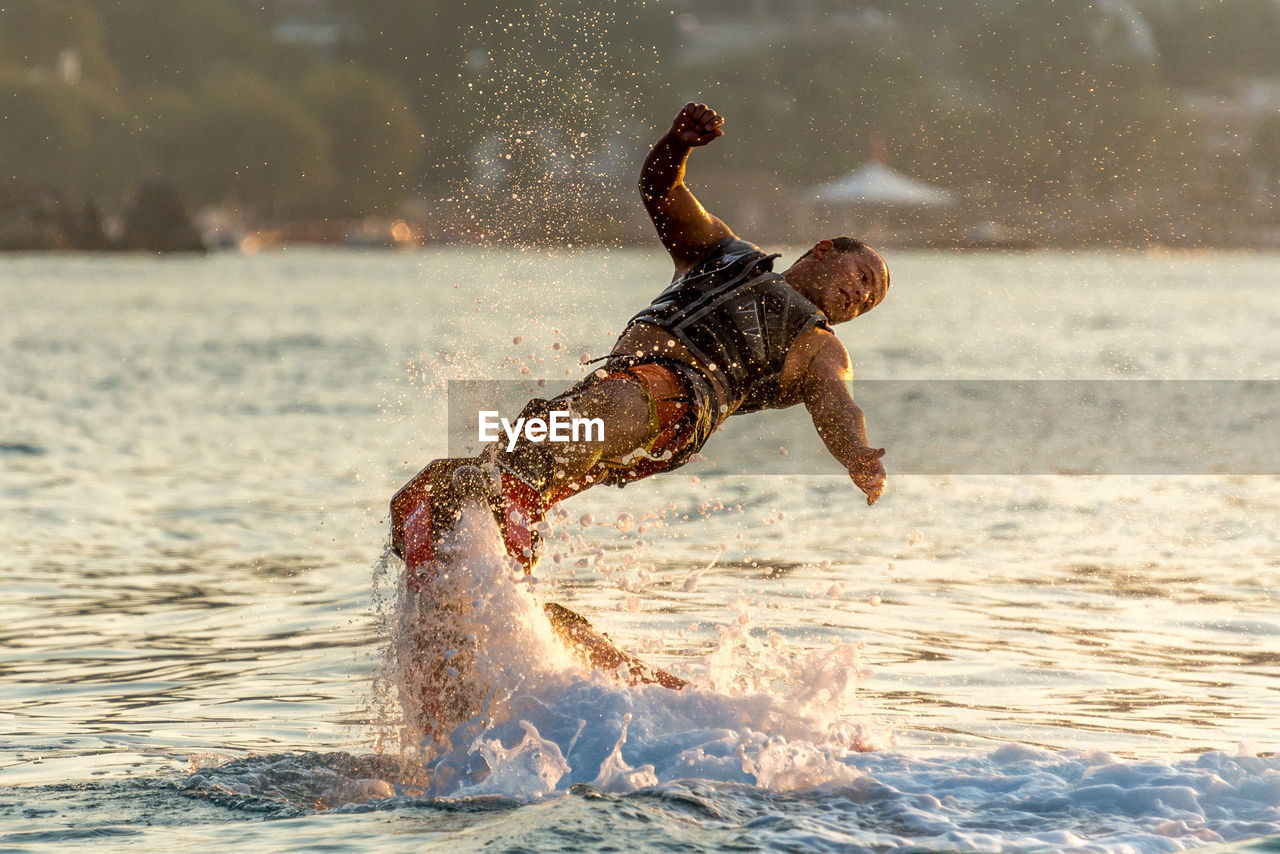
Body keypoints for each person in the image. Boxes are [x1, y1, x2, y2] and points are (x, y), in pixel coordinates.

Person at [392, 102, 889, 575]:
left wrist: (856, 455)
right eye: (864, 276)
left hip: (680, 405)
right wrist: (676, 145)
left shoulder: (820, 345)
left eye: (868, 303)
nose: (860, 296)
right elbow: (660, 190)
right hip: (617, 387)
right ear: (824, 249)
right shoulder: (725, 252)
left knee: (582, 427)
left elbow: (836, 404)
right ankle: (461, 547)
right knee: (518, 448)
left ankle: (509, 507)